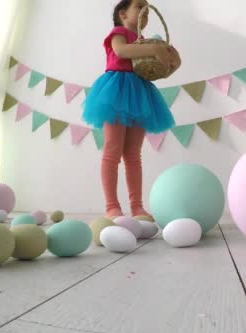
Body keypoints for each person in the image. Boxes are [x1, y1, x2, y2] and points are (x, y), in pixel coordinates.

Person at [83, 0, 181, 219]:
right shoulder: (118, 32)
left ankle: (137, 206)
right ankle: (111, 207)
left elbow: (154, 68)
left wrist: (168, 57)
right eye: (139, 6)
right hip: (116, 92)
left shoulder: (144, 42)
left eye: (148, 10)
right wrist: (155, 48)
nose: (145, 12)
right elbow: (121, 51)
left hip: (140, 94)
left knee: (133, 155)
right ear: (122, 13)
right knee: (112, 150)